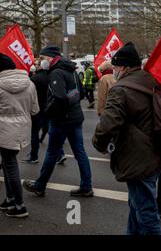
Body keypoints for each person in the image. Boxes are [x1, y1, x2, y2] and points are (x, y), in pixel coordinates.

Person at [92, 42, 161, 235]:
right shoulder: (152, 81)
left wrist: (98, 143)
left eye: (115, 67)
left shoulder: (121, 89)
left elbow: (108, 124)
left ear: (124, 67)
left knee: (145, 211)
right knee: (136, 205)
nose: (114, 70)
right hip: (156, 151)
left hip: (137, 157)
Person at [23, 46, 93, 198]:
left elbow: (60, 98)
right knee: (80, 152)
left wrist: (48, 111)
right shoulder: (72, 70)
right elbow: (80, 93)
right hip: (75, 118)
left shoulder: (56, 72)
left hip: (60, 120)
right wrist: (70, 98)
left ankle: (40, 186)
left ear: (50, 58)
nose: (41, 61)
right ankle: (86, 186)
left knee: (51, 152)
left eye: (42, 58)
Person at [0, 53, 39, 218]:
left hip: (3, 131)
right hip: (22, 130)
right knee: (9, 163)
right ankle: (9, 199)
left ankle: (19, 205)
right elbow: (35, 110)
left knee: (10, 166)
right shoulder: (30, 84)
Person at [22, 58, 65, 164]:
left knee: (34, 133)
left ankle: (34, 156)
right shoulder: (52, 77)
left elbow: (29, 95)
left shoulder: (34, 78)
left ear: (41, 66)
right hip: (50, 108)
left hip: (37, 109)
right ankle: (60, 154)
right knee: (52, 132)